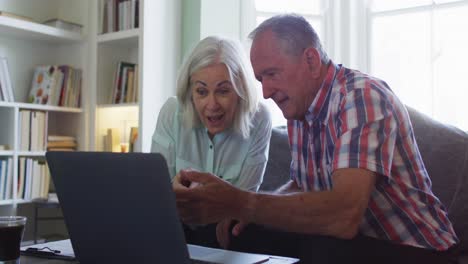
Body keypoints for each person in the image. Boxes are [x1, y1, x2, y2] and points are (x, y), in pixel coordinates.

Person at [173, 14, 459, 263]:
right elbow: (302, 184)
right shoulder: (300, 109)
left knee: (324, 247)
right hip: (358, 243)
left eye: (272, 74)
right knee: (241, 231)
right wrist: (247, 211)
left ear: (310, 60)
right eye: (261, 79)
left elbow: (344, 215)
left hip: (421, 251)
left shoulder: (361, 97)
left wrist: (241, 202)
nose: (266, 92)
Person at [151, 36, 272, 247]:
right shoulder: (172, 113)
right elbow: (156, 192)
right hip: (172, 227)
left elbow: (242, 202)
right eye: (201, 91)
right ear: (190, 92)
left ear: (241, 90)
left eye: (223, 91)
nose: (212, 104)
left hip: (227, 233)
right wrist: (171, 191)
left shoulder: (259, 118)